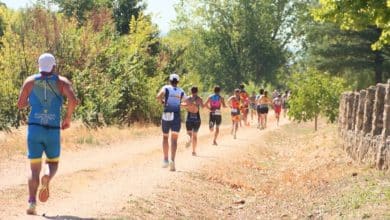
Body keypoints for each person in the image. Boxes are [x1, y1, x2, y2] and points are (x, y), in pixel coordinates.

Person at [17, 53, 78, 215]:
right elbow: (73, 100)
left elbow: (20, 105)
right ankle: (47, 176)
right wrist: (67, 118)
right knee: (53, 163)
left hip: (34, 129)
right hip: (52, 130)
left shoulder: (30, 81)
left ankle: (31, 203)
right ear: (54, 66)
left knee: (33, 169)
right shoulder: (62, 82)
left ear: (39, 66)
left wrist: (31, 101)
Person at [156, 73, 185, 172]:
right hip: (176, 116)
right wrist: (180, 105)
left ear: (170, 80)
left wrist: (163, 103)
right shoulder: (181, 91)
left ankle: (165, 159)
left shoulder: (166, 87)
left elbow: (158, 96)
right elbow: (187, 102)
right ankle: (172, 160)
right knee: (174, 139)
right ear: (178, 82)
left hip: (166, 114)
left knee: (165, 137)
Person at [183, 86, 204, 156]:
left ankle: (189, 139)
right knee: (195, 135)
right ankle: (194, 151)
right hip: (197, 118)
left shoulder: (188, 99)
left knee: (189, 134)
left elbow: (184, 105)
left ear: (191, 91)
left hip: (189, 117)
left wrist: (185, 105)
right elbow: (203, 106)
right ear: (197, 91)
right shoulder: (200, 99)